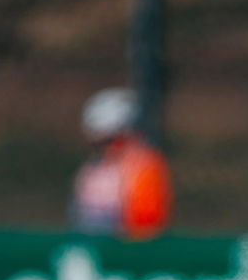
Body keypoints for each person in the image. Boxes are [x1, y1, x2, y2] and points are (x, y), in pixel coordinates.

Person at [69, 88, 172, 240]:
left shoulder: (145, 167)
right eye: (98, 143)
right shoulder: (91, 171)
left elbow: (147, 224)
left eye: (111, 141)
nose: (106, 149)